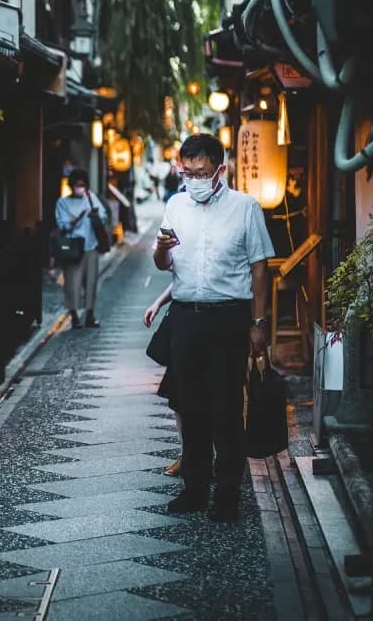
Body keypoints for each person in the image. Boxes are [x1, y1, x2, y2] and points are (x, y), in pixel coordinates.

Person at [151, 133, 274, 523]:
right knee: (191, 405)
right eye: (186, 172)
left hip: (228, 316)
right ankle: (194, 488)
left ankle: (227, 493)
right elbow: (162, 263)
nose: (193, 179)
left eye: (201, 172)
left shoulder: (245, 208)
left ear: (220, 169)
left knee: (225, 407)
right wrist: (160, 248)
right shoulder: (175, 204)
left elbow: (259, 267)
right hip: (186, 316)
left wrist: (259, 322)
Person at [54, 168, 109, 329]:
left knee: (91, 281)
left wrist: (96, 216)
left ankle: (90, 315)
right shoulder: (62, 203)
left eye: (83, 185)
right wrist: (77, 219)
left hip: (91, 245)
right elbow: (62, 225)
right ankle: (74, 316)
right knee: (72, 283)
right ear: (71, 185)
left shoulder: (90, 197)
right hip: (72, 248)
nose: (81, 188)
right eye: (78, 185)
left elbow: (103, 216)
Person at [143, 281, 182, 476]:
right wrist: (158, 303)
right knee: (179, 395)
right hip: (184, 316)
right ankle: (187, 454)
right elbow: (181, 275)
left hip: (222, 316)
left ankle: (216, 456)